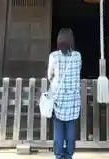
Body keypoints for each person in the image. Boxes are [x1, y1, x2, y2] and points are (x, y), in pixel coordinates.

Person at [47, 28, 82, 159]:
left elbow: (50, 76)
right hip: (73, 99)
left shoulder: (54, 56)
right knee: (71, 129)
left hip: (59, 99)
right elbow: (77, 72)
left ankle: (59, 154)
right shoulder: (77, 56)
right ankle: (69, 154)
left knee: (58, 129)